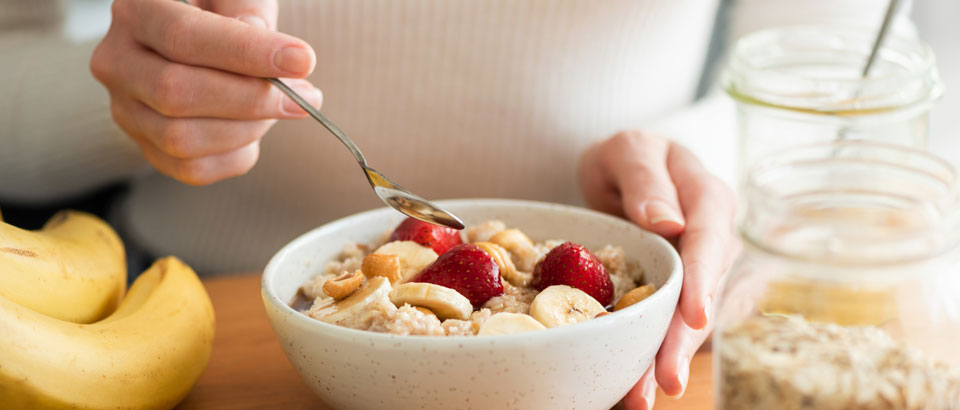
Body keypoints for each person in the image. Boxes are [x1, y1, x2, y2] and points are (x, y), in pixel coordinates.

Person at [0, 0, 936, 408]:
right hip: (217, 330)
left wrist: (698, 157)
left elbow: (840, 54)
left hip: (616, 347)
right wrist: (138, 97)